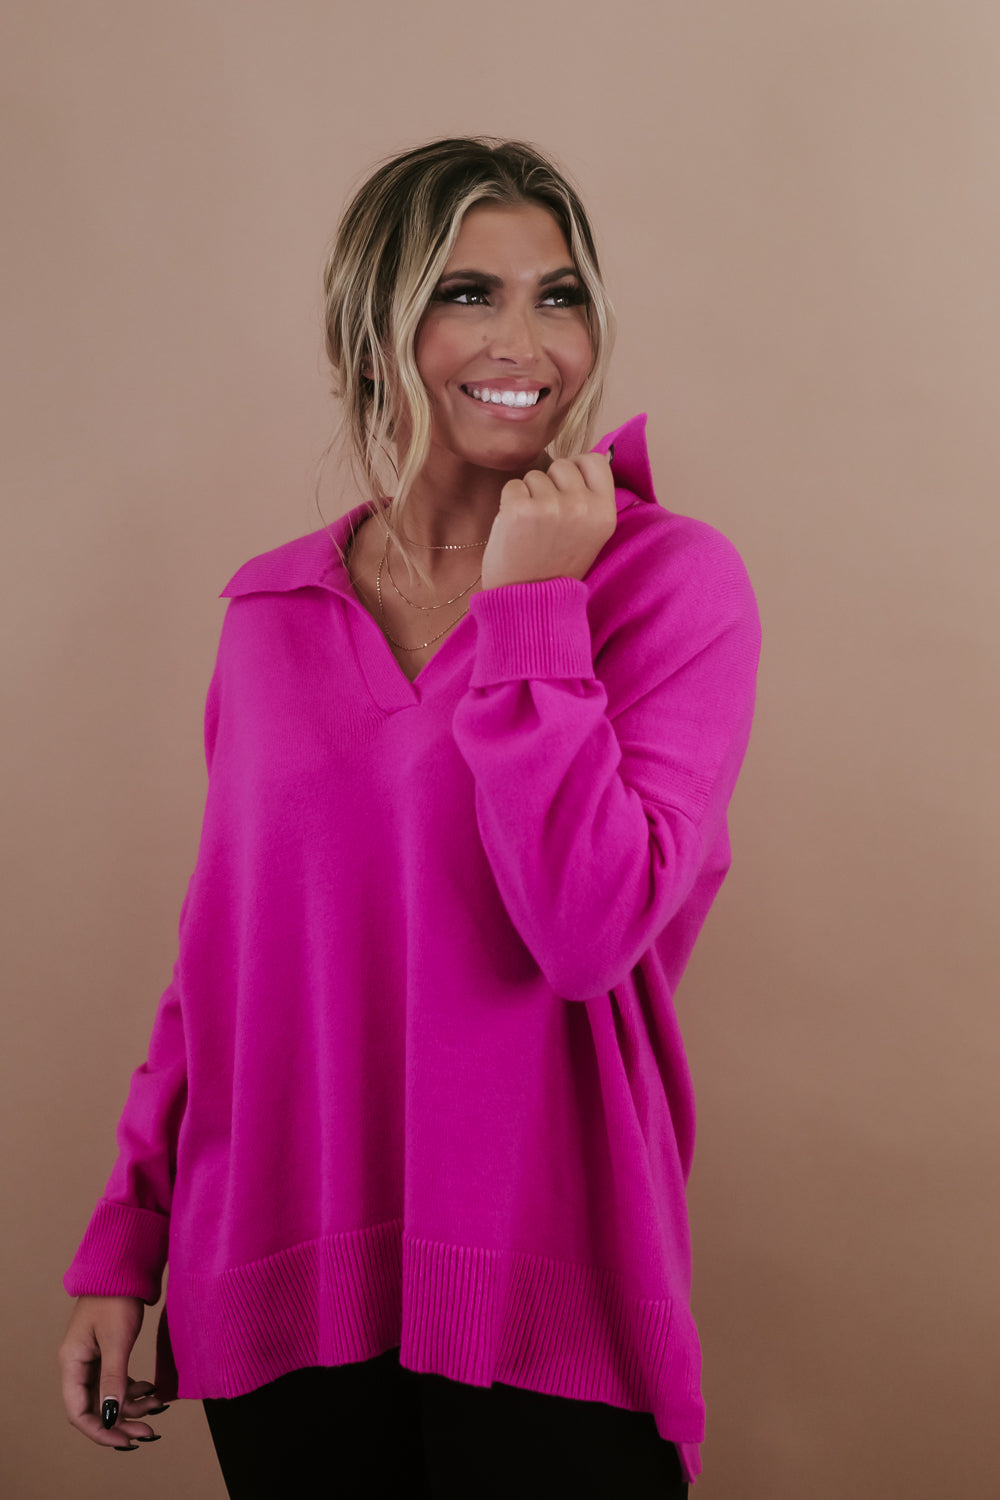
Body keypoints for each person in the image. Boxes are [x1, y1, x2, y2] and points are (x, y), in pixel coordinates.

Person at [59, 137, 760, 1497]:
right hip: (275, 1283)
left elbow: (587, 932)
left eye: (560, 296)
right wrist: (125, 1240)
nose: (524, 343)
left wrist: (534, 607)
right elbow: (220, 963)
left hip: (545, 1290)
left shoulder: (668, 585)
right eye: (467, 293)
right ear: (372, 327)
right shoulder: (270, 612)